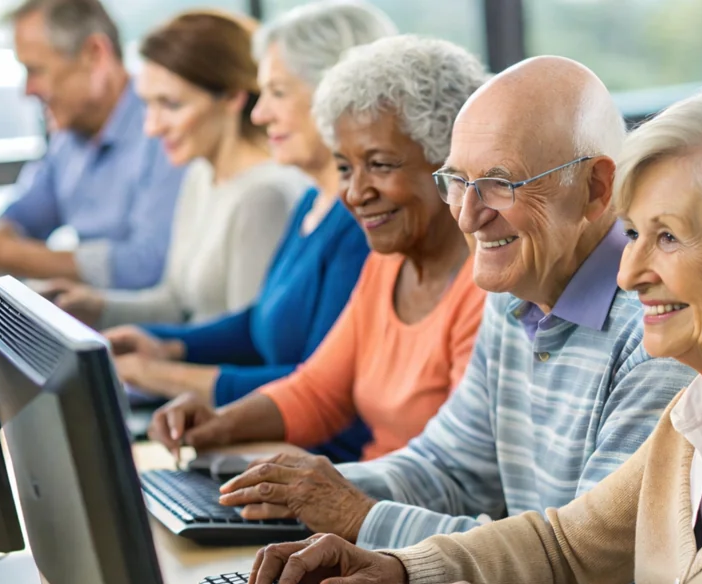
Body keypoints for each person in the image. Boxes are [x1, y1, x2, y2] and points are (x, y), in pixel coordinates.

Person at [244, 70, 702, 584]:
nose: (631, 274)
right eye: (633, 234)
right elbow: (567, 547)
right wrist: (398, 565)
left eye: (667, 237)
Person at [154, 56, 695, 584]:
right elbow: (448, 467)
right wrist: (324, 490)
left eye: (500, 184)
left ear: (594, 189)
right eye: (457, 181)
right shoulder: (513, 291)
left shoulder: (657, 334)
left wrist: (367, 521)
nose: (467, 214)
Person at [148, 35, 488, 466]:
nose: (355, 193)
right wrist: (216, 423)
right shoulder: (388, 265)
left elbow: (457, 470)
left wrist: (332, 495)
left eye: (380, 164)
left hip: (406, 519)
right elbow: (319, 392)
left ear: (449, 163)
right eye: (345, 168)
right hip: (367, 501)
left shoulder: (484, 288)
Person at [105, 0, 397, 462]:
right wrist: (168, 345)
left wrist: (162, 373)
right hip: (286, 450)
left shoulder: (365, 223)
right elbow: (261, 319)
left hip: (321, 462)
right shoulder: (311, 201)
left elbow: (318, 384)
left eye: (277, 93)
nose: (259, 115)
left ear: (338, 94)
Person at [46, 11, 310, 329]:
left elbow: (246, 343)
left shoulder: (262, 197)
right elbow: (175, 302)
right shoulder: (200, 175)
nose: (152, 128)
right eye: (147, 105)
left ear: (231, 97)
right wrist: (95, 306)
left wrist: (161, 361)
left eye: (171, 105)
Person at [0, 0, 184, 312]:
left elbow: (147, 265)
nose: (27, 90)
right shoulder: (69, 136)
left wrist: (7, 252)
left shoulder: (161, 131)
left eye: (36, 70)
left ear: (94, 54)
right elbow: (25, 217)